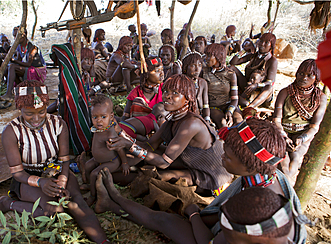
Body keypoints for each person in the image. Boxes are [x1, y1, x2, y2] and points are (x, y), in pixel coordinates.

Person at [0, 80, 110, 244]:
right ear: (19, 109)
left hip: (55, 170)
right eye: (29, 114)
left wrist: (62, 182)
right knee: (51, 210)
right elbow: (18, 173)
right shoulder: (11, 131)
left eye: (41, 112)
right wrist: (41, 182)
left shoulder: (58, 124)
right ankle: (8, 203)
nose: (36, 119)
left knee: (77, 203)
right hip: (27, 177)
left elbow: (64, 161)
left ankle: (104, 242)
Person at [94, 170, 300, 244]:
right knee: (164, 220)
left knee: (164, 221)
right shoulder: (267, 227)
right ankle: (113, 200)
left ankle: (113, 201)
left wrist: (193, 216)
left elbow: (208, 241)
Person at [109, 74, 232, 192]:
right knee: (147, 158)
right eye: (166, 91)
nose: (167, 96)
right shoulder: (174, 119)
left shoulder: (190, 124)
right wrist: (121, 134)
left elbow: (164, 163)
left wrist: (130, 146)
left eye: (175, 93)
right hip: (190, 162)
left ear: (187, 98)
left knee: (157, 177)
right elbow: (150, 145)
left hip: (210, 175)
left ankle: (108, 177)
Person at [200, 115, 307, 244]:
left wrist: (193, 215)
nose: (222, 156)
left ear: (250, 166)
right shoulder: (265, 176)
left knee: (170, 222)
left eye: (228, 157)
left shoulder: (259, 204)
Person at [273, 59, 327, 183]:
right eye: (301, 73)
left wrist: (302, 138)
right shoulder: (285, 92)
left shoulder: (320, 98)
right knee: (283, 157)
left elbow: (314, 126)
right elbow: (277, 120)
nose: (304, 78)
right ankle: (286, 187)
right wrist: (284, 136)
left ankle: (284, 185)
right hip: (282, 132)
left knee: (295, 156)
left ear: (316, 77)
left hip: (304, 135)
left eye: (309, 75)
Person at [81, 94, 128, 206]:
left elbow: (120, 149)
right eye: (95, 117)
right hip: (98, 159)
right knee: (87, 166)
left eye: (103, 117)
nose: (99, 121)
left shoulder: (110, 133)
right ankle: (89, 185)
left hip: (111, 161)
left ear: (111, 116)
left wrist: (125, 162)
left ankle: (93, 196)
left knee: (94, 174)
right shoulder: (98, 129)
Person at [230, 33, 278, 109]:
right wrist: (244, 50)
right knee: (231, 68)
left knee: (269, 87)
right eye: (261, 41)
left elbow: (270, 82)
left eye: (266, 42)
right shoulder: (253, 56)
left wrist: (256, 85)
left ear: (271, 46)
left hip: (261, 91)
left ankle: (250, 107)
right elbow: (233, 62)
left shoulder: (272, 60)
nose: (262, 44)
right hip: (248, 86)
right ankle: (241, 99)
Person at [1, 28, 46, 101]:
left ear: (23, 35)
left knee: (12, 67)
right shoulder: (20, 47)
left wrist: (13, 61)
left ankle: (8, 94)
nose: (15, 38)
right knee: (10, 67)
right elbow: (18, 60)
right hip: (29, 69)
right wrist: (11, 60)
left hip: (37, 72)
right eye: (14, 36)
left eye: (16, 36)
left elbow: (28, 64)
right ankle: (20, 87)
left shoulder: (32, 48)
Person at [203, 43, 240, 128]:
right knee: (223, 123)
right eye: (206, 55)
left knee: (239, 122)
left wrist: (230, 111)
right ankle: (226, 140)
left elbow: (235, 98)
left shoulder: (230, 74)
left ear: (218, 56)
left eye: (209, 56)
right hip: (213, 107)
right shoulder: (204, 72)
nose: (206, 58)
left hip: (229, 105)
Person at [181, 51, 210, 122]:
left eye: (200, 65)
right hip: (185, 117)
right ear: (186, 67)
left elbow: (206, 105)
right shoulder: (182, 83)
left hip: (200, 116)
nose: (197, 69)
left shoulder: (203, 83)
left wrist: (207, 118)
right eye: (193, 65)